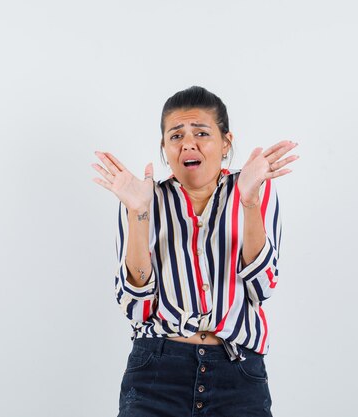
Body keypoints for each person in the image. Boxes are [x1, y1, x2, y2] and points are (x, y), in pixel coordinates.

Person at [91, 86, 299, 417]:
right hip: (156, 373)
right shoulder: (143, 198)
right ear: (165, 147)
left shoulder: (254, 189)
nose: (188, 143)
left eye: (201, 132)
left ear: (226, 142)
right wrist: (139, 214)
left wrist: (249, 202)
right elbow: (136, 308)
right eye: (176, 136)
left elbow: (262, 288)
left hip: (238, 374)